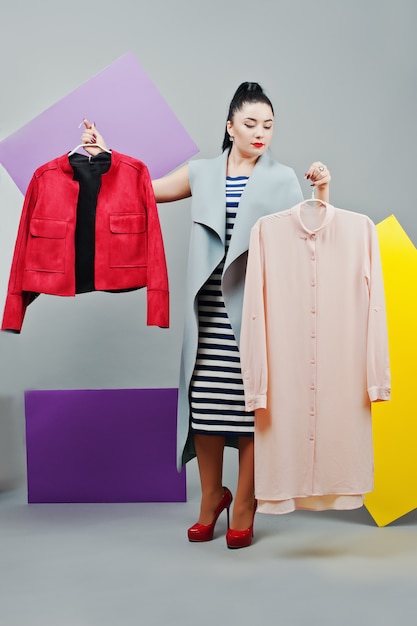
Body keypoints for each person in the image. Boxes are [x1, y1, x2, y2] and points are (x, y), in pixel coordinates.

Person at [81, 82, 331, 549]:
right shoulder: (202, 172)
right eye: (251, 123)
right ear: (230, 126)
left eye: (269, 125)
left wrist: (322, 189)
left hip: (260, 311)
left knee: (254, 407)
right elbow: (143, 191)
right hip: (208, 307)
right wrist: (106, 154)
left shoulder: (282, 179)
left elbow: (309, 238)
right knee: (207, 406)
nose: (261, 133)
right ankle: (212, 496)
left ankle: (244, 504)